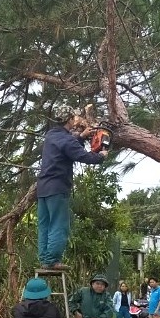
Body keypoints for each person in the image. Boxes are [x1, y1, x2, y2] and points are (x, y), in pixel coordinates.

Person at [36, 112, 107, 268]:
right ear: (69, 120)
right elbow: (84, 156)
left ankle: (44, 260)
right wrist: (101, 156)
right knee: (58, 224)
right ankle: (53, 260)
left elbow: (67, 145)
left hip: (42, 188)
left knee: (45, 225)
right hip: (57, 187)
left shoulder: (51, 135)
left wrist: (81, 137)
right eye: (73, 118)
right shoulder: (67, 140)